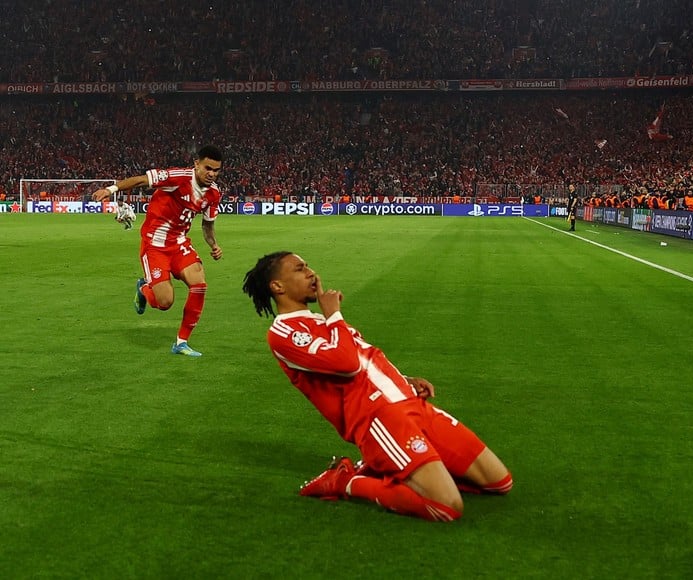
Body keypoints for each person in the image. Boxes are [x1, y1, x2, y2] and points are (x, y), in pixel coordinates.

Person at [241, 251, 513, 522]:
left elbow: (363, 359)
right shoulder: (284, 332)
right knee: (445, 506)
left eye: (308, 266)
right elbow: (346, 363)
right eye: (300, 269)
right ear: (277, 286)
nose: (311, 272)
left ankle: (394, 469)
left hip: (410, 404)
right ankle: (346, 482)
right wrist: (334, 314)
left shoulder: (321, 322)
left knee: (499, 483)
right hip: (379, 417)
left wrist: (403, 379)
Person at [92, 145, 225, 357]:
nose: (212, 174)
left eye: (216, 170)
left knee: (199, 283)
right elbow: (141, 180)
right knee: (165, 303)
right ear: (196, 164)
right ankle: (144, 288)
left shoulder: (214, 193)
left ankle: (181, 343)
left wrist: (214, 245)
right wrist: (110, 190)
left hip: (179, 243)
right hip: (155, 245)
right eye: (208, 168)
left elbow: (207, 226)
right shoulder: (177, 177)